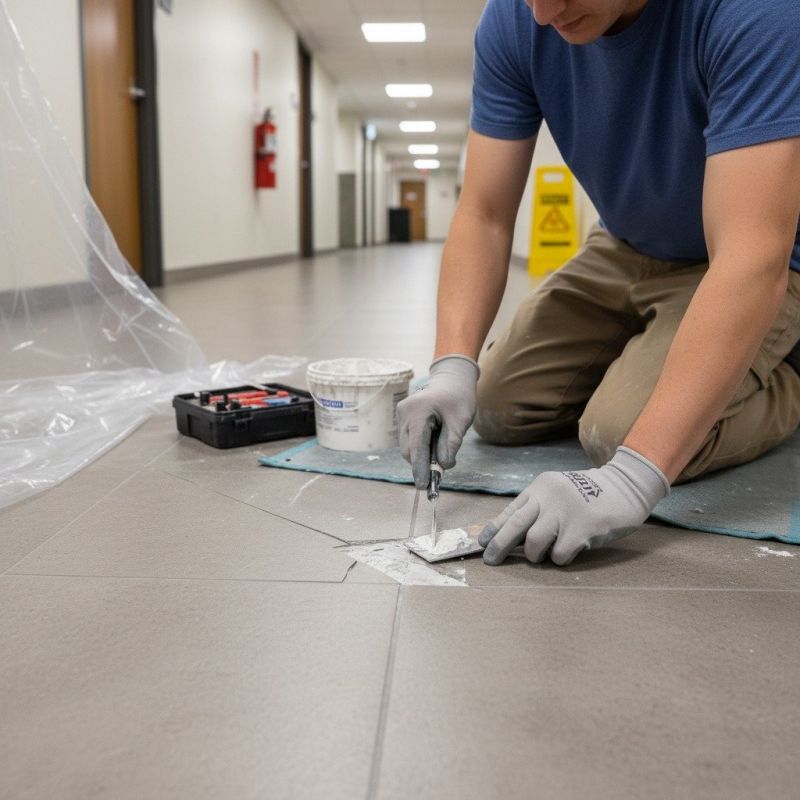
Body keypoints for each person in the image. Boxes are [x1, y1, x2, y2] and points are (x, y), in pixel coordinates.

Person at [397, 0, 800, 567]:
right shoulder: (514, 20)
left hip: (751, 260)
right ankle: (658, 359)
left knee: (621, 433)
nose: (543, 14)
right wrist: (451, 367)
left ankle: (785, 375)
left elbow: (750, 256)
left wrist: (635, 476)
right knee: (495, 407)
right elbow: (485, 213)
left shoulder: (756, 12)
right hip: (623, 245)